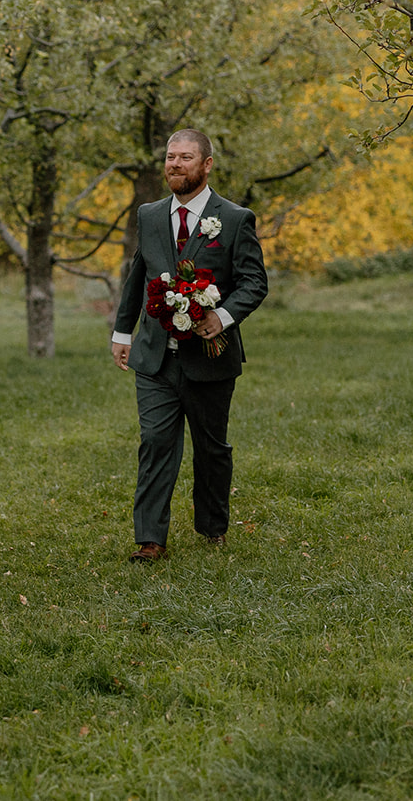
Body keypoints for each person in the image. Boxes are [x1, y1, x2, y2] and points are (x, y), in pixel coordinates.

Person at [111, 130, 268, 562]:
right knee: (156, 441)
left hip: (210, 358)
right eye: (170, 157)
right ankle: (150, 539)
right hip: (155, 356)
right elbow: (138, 276)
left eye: (185, 158)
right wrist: (122, 332)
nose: (175, 165)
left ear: (207, 164)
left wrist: (222, 316)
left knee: (211, 446)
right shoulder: (149, 214)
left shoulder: (234, 219)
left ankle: (212, 526)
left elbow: (255, 282)